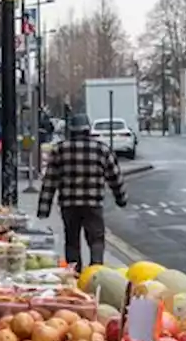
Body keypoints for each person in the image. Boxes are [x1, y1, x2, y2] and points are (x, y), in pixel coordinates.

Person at [37, 113, 127, 272]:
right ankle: (96, 273)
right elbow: (115, 177)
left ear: (70, 130)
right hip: (93, 204)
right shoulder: (101, 149)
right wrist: (121, 199)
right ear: (88, 130)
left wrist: (44, 210)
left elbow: (50, 182)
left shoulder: (60, 150)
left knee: (72, 241)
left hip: (69, 205)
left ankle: (74, 274)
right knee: (96, 240)